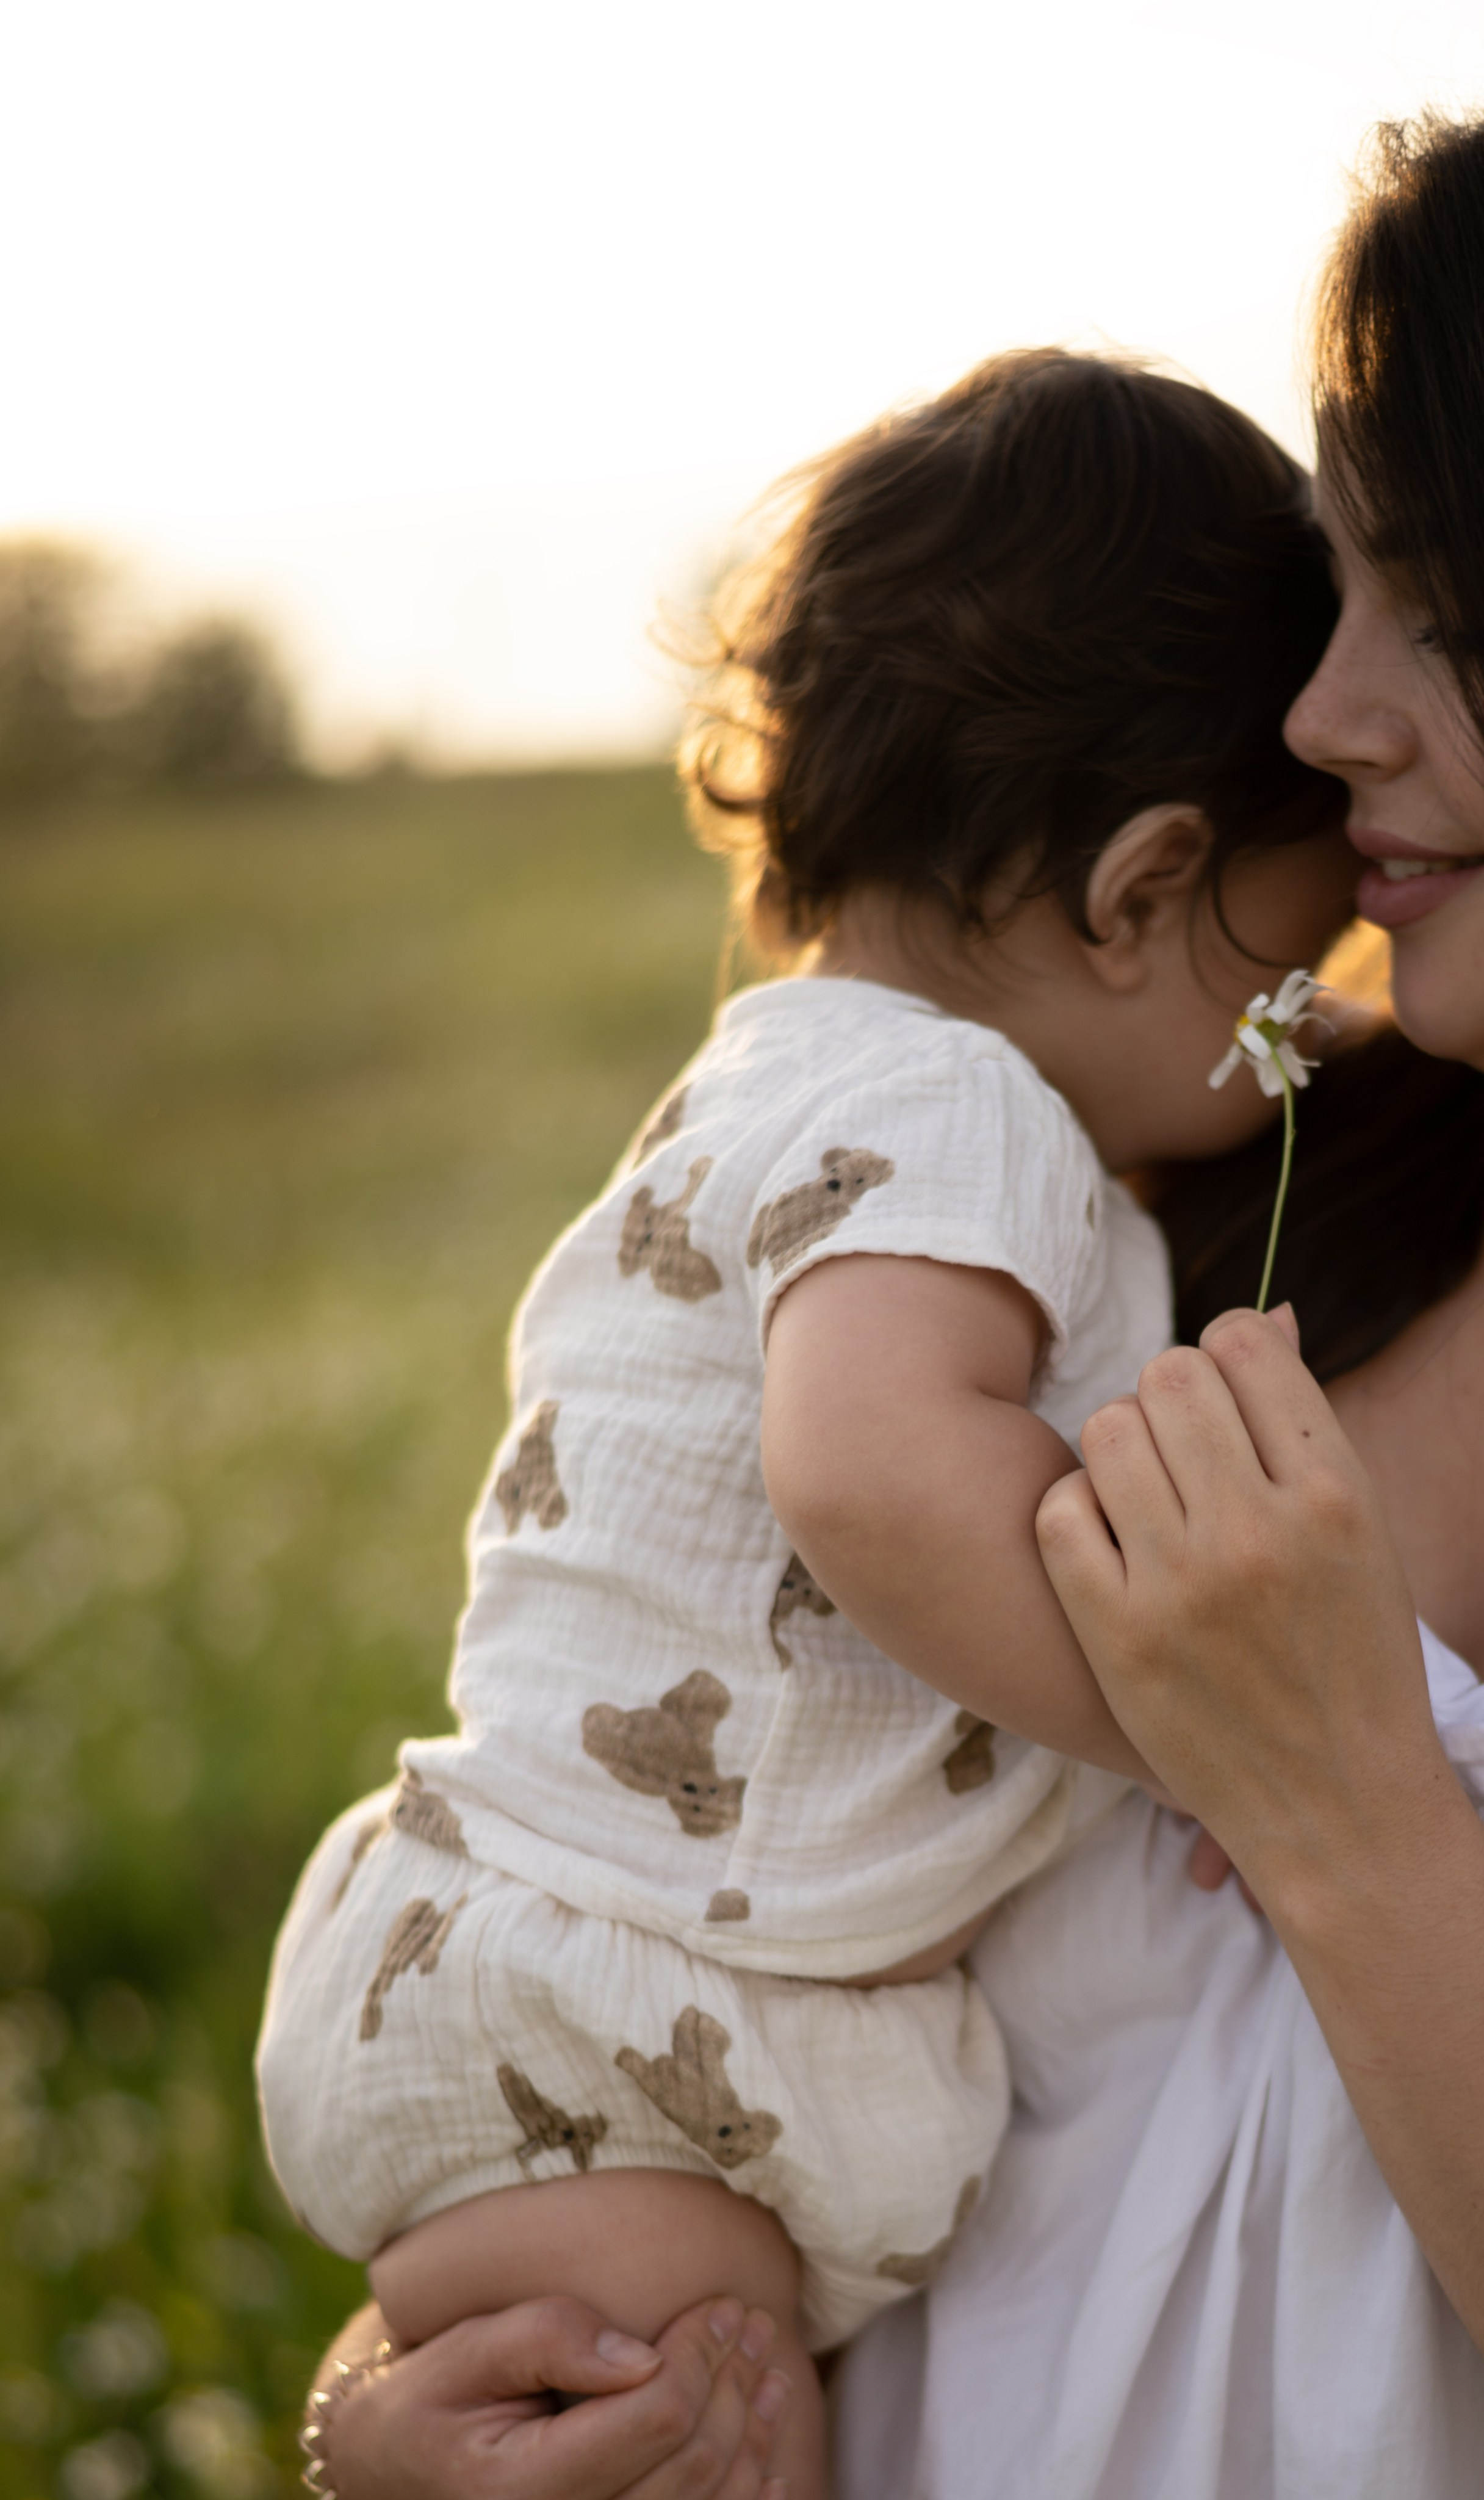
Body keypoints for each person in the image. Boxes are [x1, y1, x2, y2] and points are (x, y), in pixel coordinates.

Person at [296, 109, 1484, 2500]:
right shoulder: (1201, 1192)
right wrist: (418, 2426)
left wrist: (1337, 1801)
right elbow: (734, 1945)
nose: (1321, 715)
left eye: (1438, 604)